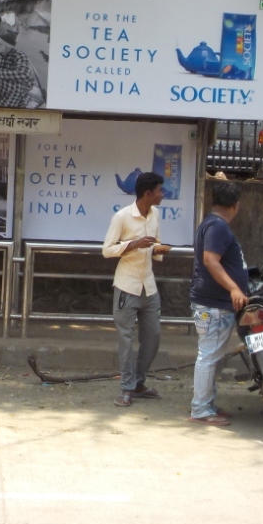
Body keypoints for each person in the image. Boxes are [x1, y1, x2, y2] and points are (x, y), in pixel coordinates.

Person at [102, 172, 171, 408]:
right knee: (126, 339)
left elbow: (154, 244)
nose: (163, 195)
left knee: (153, 338)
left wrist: (159, 249)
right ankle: (127, 388)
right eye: (160, 191)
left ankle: (139, 383)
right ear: (148, 193)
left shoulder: (156, 214)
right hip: (126, 285)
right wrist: (133, 244)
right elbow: (107, 250)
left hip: (148, 286)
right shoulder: (122, 217)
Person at [188, 181, 249, 426]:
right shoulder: (218, 227)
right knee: (209, 356)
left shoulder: (211, 223)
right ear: (236, 206)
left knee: (212, 356)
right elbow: (211, 261)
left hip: (212, 304)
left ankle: (207, 403)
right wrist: (234, 287)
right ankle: (201, 409)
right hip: (214, 305)